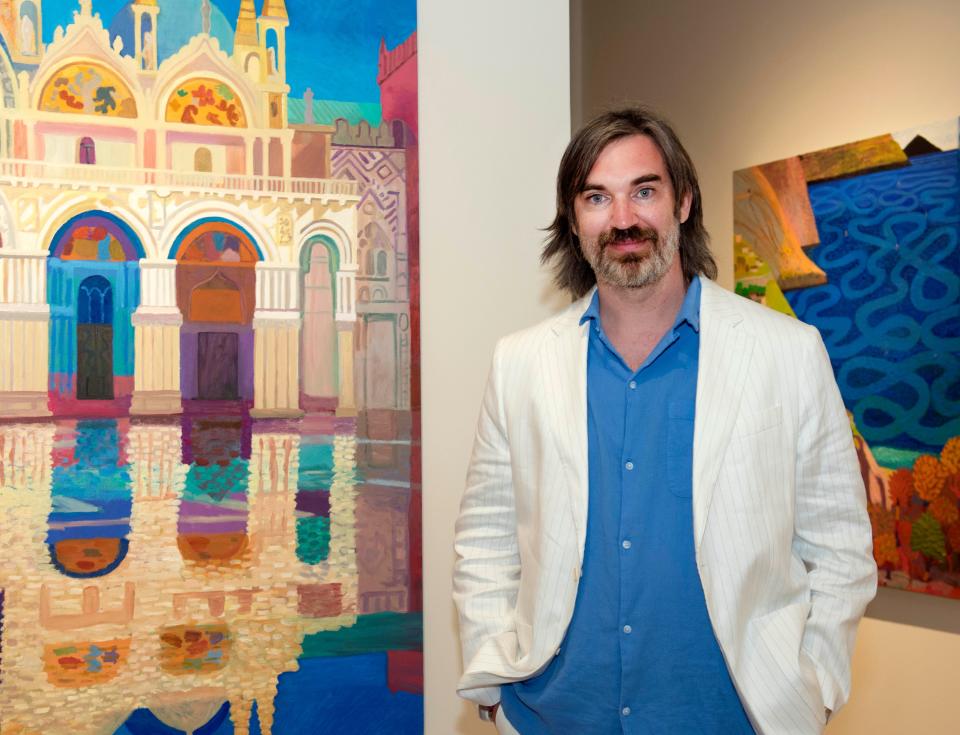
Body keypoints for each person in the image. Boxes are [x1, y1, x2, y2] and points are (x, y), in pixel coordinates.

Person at [453, 106, 877, 734]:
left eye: (644, 190)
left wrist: (813, 688)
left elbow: (840, 550)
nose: (623, 219)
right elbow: (485, 542)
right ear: (574, 221)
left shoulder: (788, 352)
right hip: (555, 718)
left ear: (683, 202)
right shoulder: (520, 363)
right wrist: (493, 687)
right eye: (597, 197)